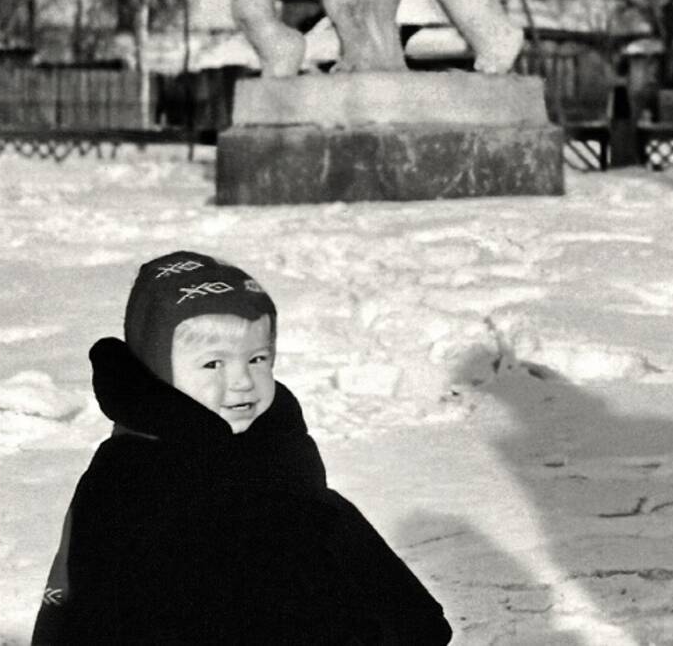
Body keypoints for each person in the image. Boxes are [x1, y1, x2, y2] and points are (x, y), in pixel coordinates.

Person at [31, 250, 452, 644]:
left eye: (257, 359)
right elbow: (87, 599)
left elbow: (332, 541)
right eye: (213, 363)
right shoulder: (130, 476)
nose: (242, 381)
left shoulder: (277, 440)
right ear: (158, 369)